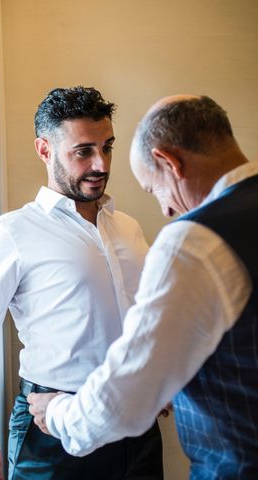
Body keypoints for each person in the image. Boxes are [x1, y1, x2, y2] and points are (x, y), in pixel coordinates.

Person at [28, 94, 258, 479]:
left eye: (155, 190)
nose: (167, 211)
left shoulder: (196, 241)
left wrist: (56, 413)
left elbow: (126, 400)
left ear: (170, 163)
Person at [0, 86, 164, 480]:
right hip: (49, 429)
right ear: (45, 150)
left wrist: (155, 380)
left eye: (107, 147)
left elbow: (149, 315)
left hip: (132, 422)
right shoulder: (12, 232)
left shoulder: (128, 228)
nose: (101, 164)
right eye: (83, 151)